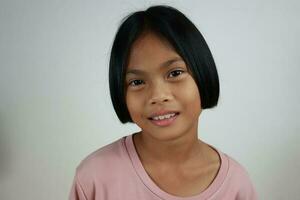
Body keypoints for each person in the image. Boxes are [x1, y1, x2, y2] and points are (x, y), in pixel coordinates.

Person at [69, 5, 257, 200]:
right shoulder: (94, 178)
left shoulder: (236, 184)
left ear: (203, 73)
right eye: (137, 82)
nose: (158, 96)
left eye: (175, 73)